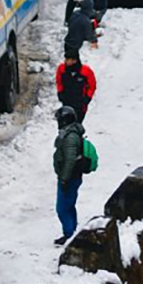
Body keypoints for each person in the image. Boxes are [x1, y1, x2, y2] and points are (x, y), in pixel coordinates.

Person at [53, 106, 86, 245]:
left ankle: (69, 234)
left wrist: (64, 179)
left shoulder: (70, 137)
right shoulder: (69, 133)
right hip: (71, 176)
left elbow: (70, 159)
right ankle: (71, 232)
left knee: (62, 208)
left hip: (69, 177)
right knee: (69, 205)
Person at [56, 48, 97, 124]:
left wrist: (87, 98)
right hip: (66, 103)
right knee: (65, 125)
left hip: (80, 105)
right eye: (66, 59)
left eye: (68, 59)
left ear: (75, 60)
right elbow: (59, 82)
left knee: (77, 126)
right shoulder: (61, 69)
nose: (65, 61)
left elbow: (92, 86)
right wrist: (60, 93)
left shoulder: (86, 71)